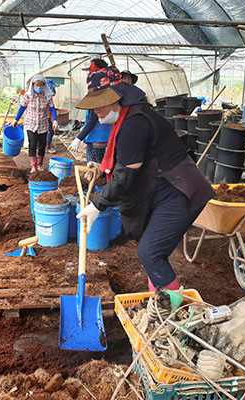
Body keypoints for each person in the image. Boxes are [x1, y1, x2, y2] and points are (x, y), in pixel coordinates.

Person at [75, 66, 214, 291]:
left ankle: (173, 312)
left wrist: (98, 205)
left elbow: (126, 174)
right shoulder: (130, 115)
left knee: (150, 252)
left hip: (179, 191)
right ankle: (157, 299)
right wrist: (103, 167)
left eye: (100, 103)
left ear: (115, 99)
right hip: (163, 188)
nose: (96, 110)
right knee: (153, 253)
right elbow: (134, 159)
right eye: (92, 104)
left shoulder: (133, 123)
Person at [68, 58, 112, 165]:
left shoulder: (96, 95)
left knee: (94, 171)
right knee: (105, 168)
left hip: (96, 139)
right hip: (108, 138)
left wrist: (78, 138)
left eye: (91, 73)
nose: (89, 76)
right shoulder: (110, 93)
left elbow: (93, 120)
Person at [11, 75, 58, 173]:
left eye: (41, 85)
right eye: (37, 85)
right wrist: (16, 120)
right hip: (30, 124)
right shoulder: (27, 96)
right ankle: (33, 166)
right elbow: (22, 108)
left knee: (42, 145)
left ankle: (39, 165)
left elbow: (52, 109)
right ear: (33, 85)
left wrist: (55, 121)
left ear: (44, 85)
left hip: (43, 124)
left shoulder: (47, 96)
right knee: (32, 144)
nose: (39, 87)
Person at [45, 78, 60, 154]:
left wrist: (54, 120)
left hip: (48, 117)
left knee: (50, 131)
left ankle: (46, 146)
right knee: (49, 132)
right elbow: (51, 109)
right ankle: (47, 147)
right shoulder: (45, 97)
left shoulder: (49, 97)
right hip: (44, 118)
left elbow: (52, 109)